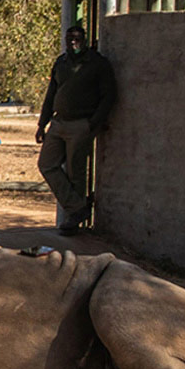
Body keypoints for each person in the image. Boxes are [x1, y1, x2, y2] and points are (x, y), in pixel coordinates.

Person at [35, 24, 115, 235]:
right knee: (46, 164)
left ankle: (74, 222)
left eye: (77, 38)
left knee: (75, 172)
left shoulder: (98, 64)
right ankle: (78, 208)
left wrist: (93, 123)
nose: (73, 42)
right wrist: (42, 124)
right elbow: (51, 94)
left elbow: (109, 95)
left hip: (81, 123)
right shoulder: (61, 62)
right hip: (58, 122)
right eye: (70, 38)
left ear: (85, 39)